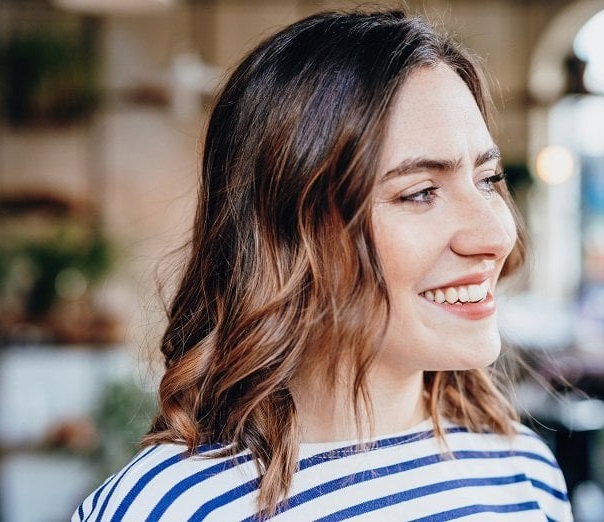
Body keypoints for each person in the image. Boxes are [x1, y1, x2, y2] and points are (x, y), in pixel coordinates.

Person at [73, 9, 572, 521]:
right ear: (286, 233)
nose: (495, 236)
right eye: (421, 192)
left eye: (487, 180)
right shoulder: (173, 506)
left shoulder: (523, 471)